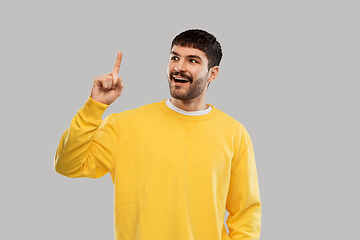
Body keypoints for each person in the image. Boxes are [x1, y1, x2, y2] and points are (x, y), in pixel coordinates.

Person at [55, 29, 261, 240]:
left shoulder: (235, 133)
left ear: (213, 73)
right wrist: (94, 107)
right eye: (175, 58)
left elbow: (245, 213)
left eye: (193, 60)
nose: (179, 67)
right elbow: (67, 165)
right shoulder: (124, 125)